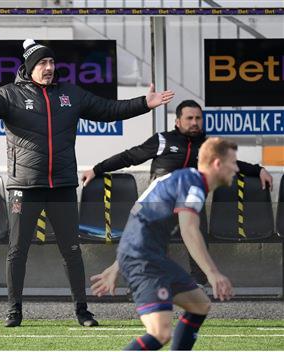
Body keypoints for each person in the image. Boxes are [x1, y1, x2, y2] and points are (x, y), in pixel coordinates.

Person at [0, 39, 175, 327]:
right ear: (30, 67)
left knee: (71, 251)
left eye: (51, 63)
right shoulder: (10, 95)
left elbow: (109, 110)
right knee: (17, 251)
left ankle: (82, 311)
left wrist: (144, 104)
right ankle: (14, 311)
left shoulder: (70, 94)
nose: (49, 68)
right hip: (25, 185)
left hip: (61, 186)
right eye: (42, 63)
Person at [81, 99, 273, 285]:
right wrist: (97, 169)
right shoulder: (163, 140)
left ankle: (198, 283)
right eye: (189, 118)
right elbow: (129, 156)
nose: (194, 123)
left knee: (194, 226)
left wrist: (258, 170)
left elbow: (232, 164)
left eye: (198, 118)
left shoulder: (208, 147)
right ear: (178, 121)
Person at [90, 137, 237, 350]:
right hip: (146, 261)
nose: (235, 168)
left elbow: (136, 219)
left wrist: (118, 265)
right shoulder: (193, 185)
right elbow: (189, 230)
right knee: (160, 333)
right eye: (232, 162)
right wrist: (213, 273)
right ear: (217, 163)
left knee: (199, 305)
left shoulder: (180, 179)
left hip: (149, 257)